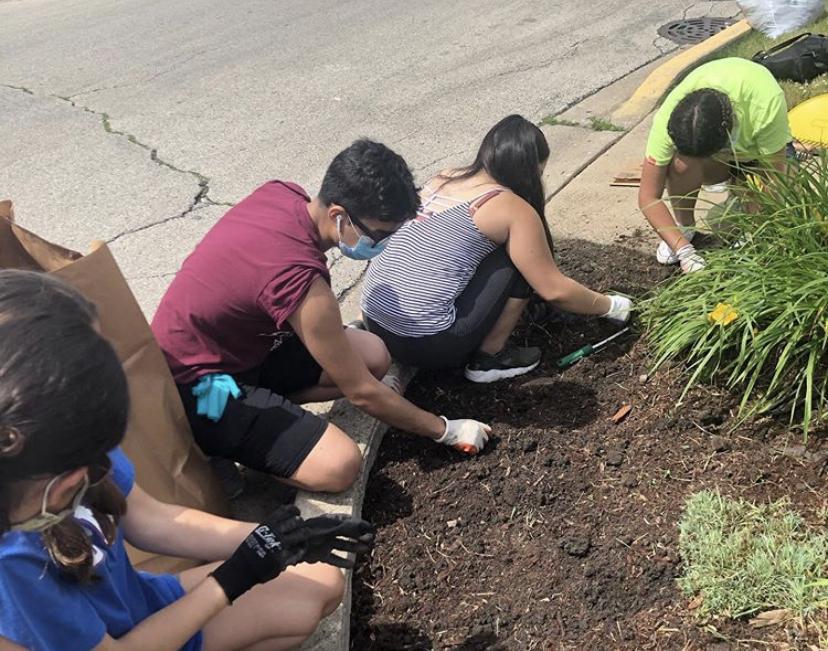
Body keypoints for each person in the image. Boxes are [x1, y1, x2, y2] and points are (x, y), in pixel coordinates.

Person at [0, 270, 374, 651]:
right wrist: (229, 582)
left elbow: (151, 519)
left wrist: (276, 540)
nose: (102, 467)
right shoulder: (11, 570)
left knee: (319, 583)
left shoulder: (65, 441)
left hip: (140, 606)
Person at [151, 139, 492, 498]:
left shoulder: (283, 195)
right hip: (199, 386)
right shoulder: (300, 282)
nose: (383, 244)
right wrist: (444, 429)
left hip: (237, 350)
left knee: (373, 356)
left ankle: (265, 413)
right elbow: (362, 393)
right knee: (340, 465)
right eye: (379, 234)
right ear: (338, 215)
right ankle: (217, 444)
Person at [360, 115, 632, 383]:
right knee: (518, 258)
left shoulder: (444, 178)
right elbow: (554, 290)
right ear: (531, 170)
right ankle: (490, 358)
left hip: (374, 325)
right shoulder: (507, 206)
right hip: (426, 344)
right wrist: (612, 306)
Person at [638, 57, 791, 273]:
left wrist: (760, 229)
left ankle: (752, 230)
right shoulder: (671, 119)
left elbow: (775, 178)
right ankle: (685, 227)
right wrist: (683, 251)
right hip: (721, 149)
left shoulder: (765, 105)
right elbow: (648, 197)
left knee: (760, 192)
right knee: (681, 165)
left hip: (754, 151)